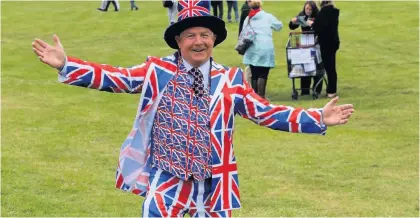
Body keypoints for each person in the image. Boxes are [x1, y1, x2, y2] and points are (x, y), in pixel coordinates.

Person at [32, 0, 354, 216]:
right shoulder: (158, 70)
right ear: (179, 41)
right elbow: (116, 77)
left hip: (214, 183)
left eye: (204, 35)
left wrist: (317, 118)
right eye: (190, 35)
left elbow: (265, 112)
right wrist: (67, 65)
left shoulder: (229, 79)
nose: (198, 41)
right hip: (167, 177)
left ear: (213, 39)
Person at [241, 0, 282, 99]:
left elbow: (243, 32)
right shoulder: (268, 16)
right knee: (263, 73)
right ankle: (262, 96)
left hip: (252, 48)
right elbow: (279, 26)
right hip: (265, 47)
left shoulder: (248, 18)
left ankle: (255, 98)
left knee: (254, 74)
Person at [307, 0, 340, 98]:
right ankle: (332, 89)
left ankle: (331, 90)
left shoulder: (324, 12)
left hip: (326, 43)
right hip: (333, 41)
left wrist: (310, 23)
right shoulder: (334, 11)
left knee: (329, 67)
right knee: (331, 67)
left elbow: (318, 27)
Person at [289, 1, 322, 96]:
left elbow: (320, 27)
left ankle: (317, 89)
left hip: (316, 42)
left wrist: (312, 23)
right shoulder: (302, 14)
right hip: (305, 43)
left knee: (317, 66)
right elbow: (292, 27)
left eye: (310, 9)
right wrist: (293, 21)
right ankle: (305, 90)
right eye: (306, 9)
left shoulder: (318, 15)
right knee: (305, 65)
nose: (308, 11)